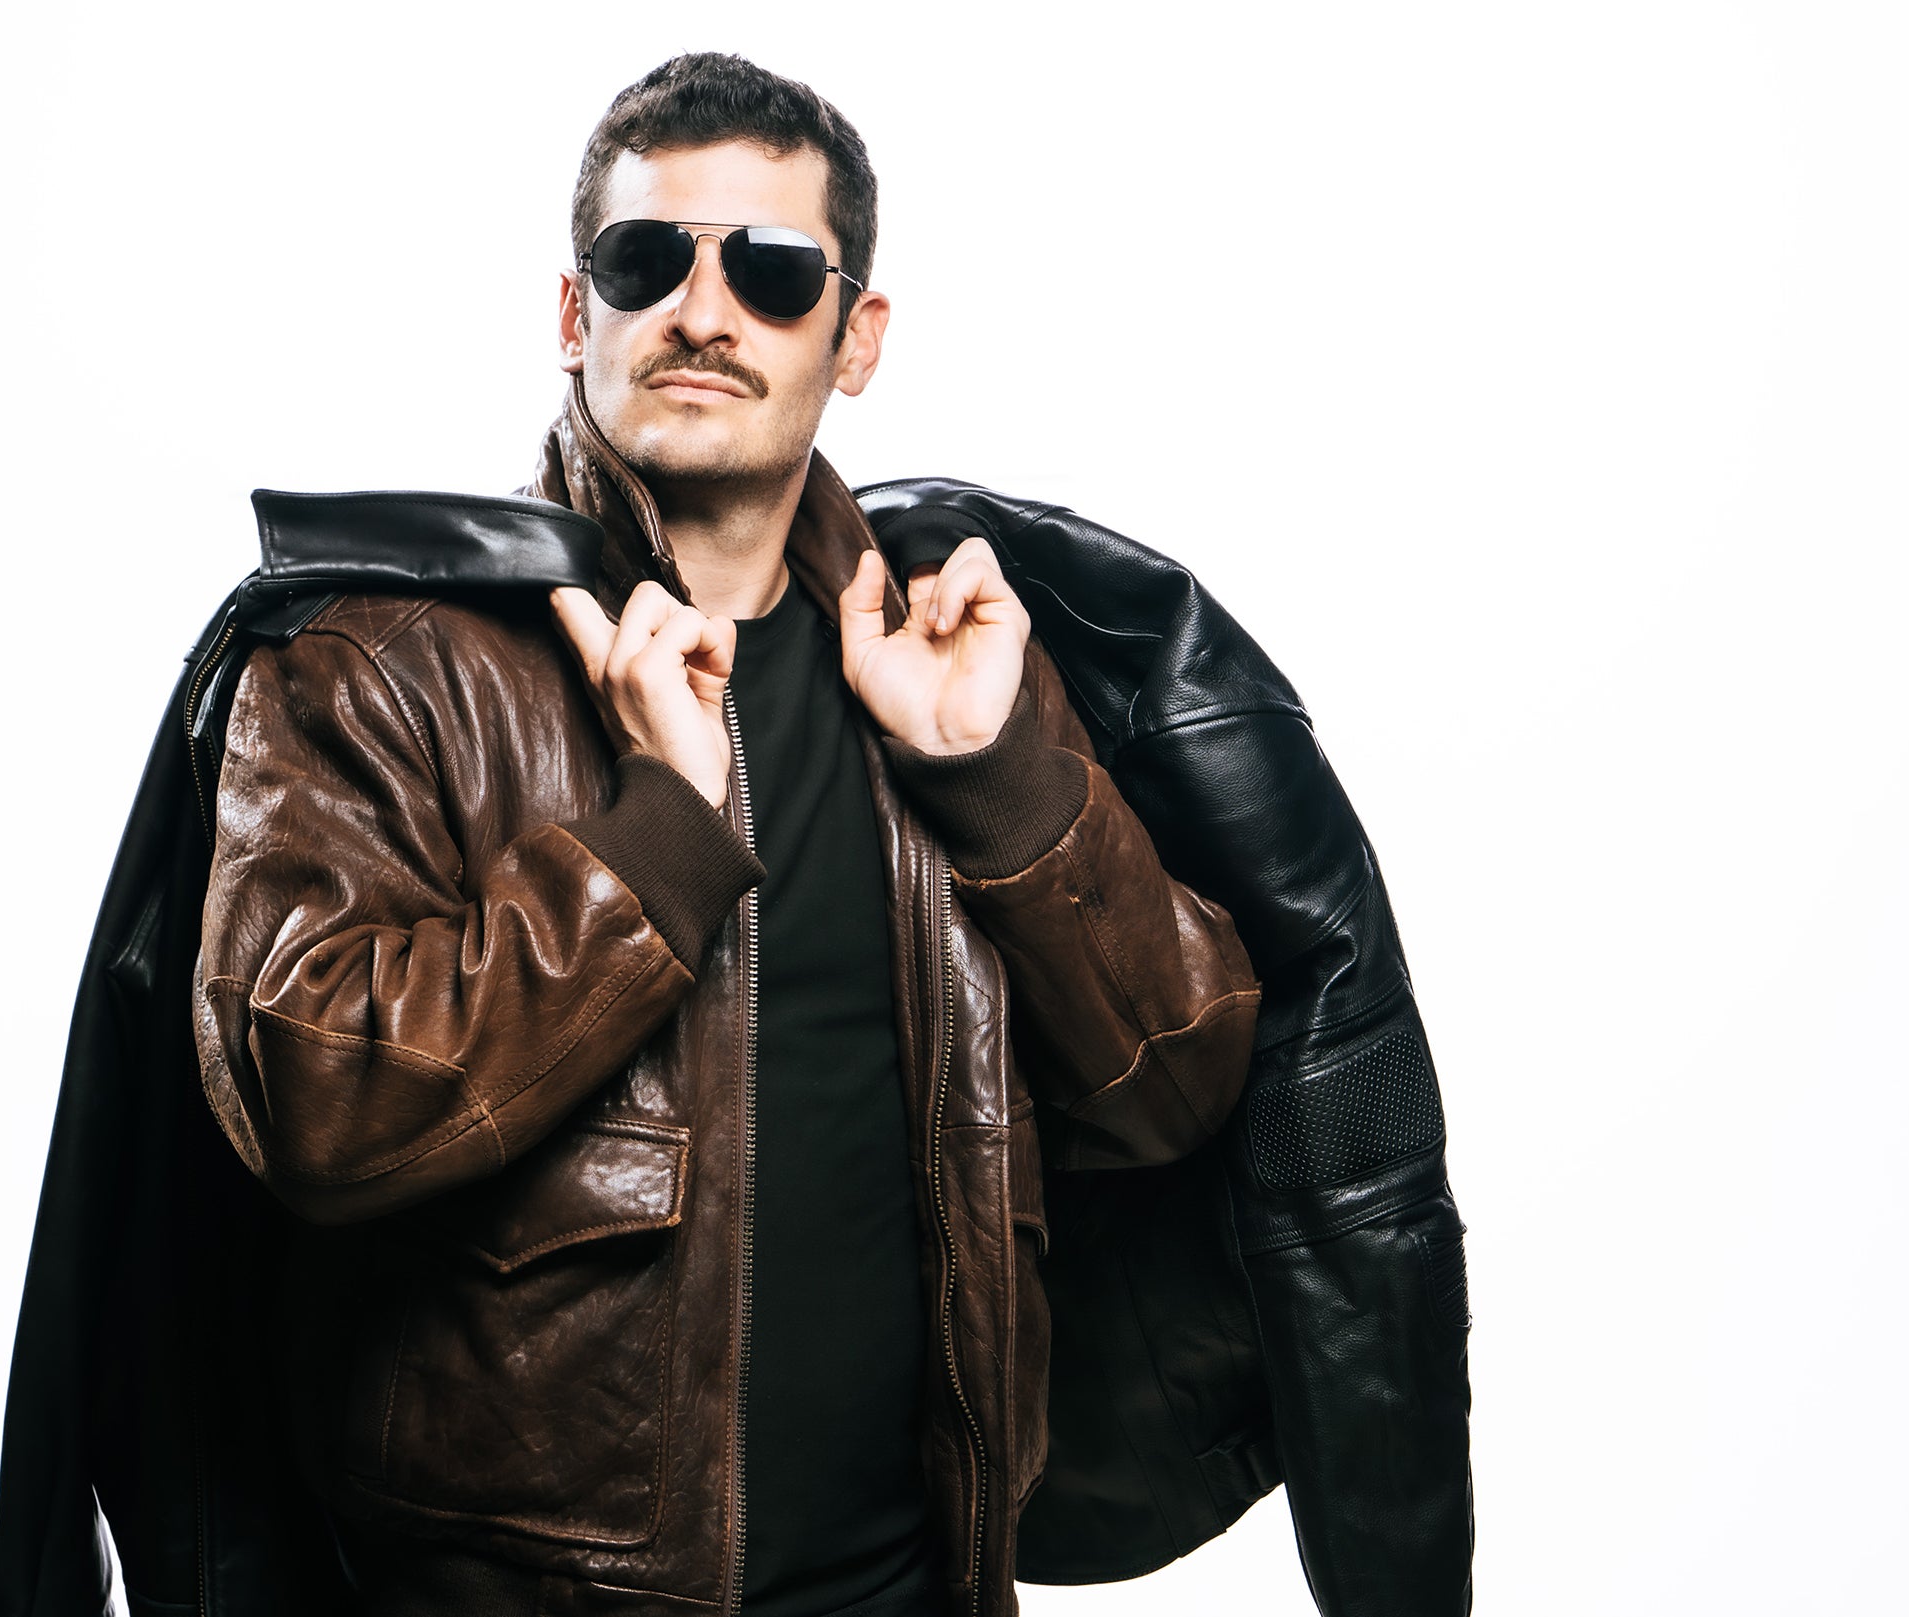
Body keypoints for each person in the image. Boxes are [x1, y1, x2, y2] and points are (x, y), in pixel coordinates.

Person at [184, 52, 1261, 1617]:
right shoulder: (380, 662)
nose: (702, 313)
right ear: (575, 316)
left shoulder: (947, 669)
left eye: (768, 272)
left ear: (853, 336)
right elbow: (309, 1099)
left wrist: (1000, 783)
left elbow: (1177, 1088)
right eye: (646, 262)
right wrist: (657, 841)